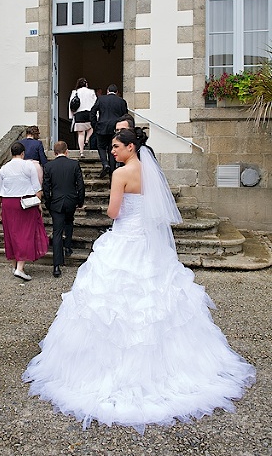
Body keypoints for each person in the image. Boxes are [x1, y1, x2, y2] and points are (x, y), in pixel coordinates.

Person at [22, 128, 255, 433]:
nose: (113, 151)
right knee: (156, 300)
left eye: (117, 146)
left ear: (131, 147)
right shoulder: (150, 170)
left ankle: (111, 372)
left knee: (113, 303)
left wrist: (112, 207)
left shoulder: (121, 175)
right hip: (148, 244)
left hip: (125, 240)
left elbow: (113, 211)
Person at [0, 141, 49, 281]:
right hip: (25, 203)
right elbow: (37, 188)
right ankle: (19, 268)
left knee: (11, 234)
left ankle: (15, 265)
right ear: (23, 153)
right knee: (25, 233)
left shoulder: (4, 168)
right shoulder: (28, 165)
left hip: (8, 204)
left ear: (11, 153)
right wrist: (39, 204)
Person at [42, 141, 85, 278]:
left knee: (57, 231)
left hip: (56, 202)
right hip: (71, 200)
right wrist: (80, 201)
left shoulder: (49, 166)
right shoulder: (74, 164)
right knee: (69, 221)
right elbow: (80, 185)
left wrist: (48, 203)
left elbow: (46, 188)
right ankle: (68, 246)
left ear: (55, 153)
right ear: (66, 151)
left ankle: (56, 265)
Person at [89, 84, 128, 178]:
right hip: (115, 128)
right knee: (112, 149)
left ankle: (105, 164)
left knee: (101, 147)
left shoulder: (101, 99)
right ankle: (112, 171)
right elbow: (125, 116)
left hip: (102, 126)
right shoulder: (121, 101)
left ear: (107, 91)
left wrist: (95, 124)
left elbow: (93, 111)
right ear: (117, 92)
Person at [68, 78, 97, 158]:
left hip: (79, 113)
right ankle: (87, 139)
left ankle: (81, 152)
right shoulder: (91, 92)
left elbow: (71, 104)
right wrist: (96, 115)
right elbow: (95, 103)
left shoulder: (75, 92)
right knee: (92, 127)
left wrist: (71, 116)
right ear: (86, 84)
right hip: (89, 112)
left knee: (81, 134)